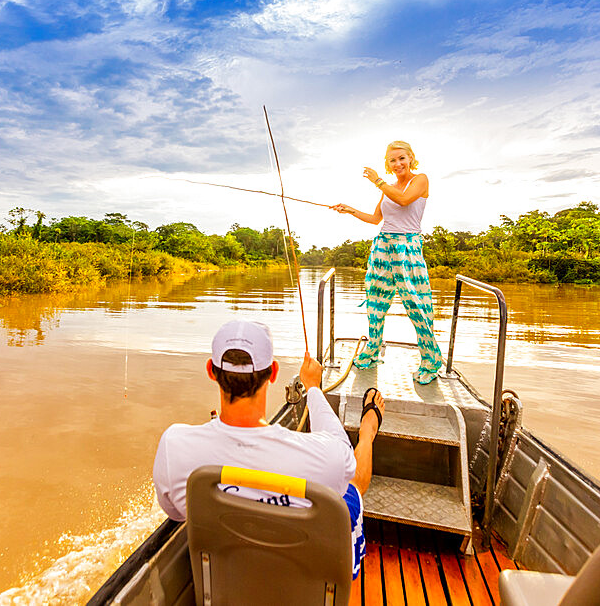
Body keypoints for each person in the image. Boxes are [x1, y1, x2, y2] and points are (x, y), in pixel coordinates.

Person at [153, 319, 384, 580]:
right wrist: (314, 389)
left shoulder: (174, 446)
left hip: (228, 585)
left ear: (210, 370)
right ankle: (369, 430)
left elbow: (174, 513)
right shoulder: (325, 458)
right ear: (274, 372)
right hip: (300, 583)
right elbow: (347, 463)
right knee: (352, 486)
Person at [331, 141, 443, 384]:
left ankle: (431, 360)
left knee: (416, 304)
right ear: (388, 163)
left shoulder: (420, 180)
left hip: (407, 248)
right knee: (376, 302)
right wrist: (349, 210)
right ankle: (372, 350)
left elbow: (404, 200)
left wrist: (377, 180)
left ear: (411, 158)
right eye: (393, 160)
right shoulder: (388, 188)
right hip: (383, 245)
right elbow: (374, 219)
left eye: (402, 158)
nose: (398, 163)